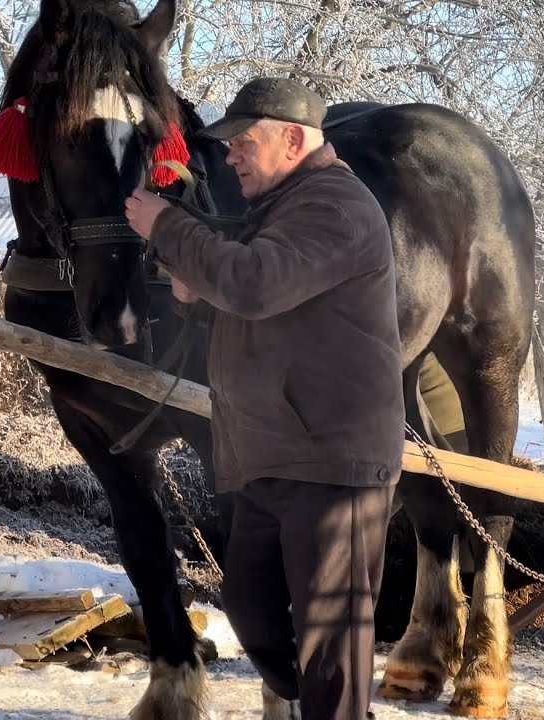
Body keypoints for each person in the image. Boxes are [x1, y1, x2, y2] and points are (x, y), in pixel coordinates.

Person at [123, 76, 403, 720]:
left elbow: (254, 285)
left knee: (332, 654)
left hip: (332, 465)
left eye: (243, 143)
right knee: (252, 613)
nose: (229, 156)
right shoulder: (281, 211)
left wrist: (168, 224)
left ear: (294, 139)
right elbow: (267, 304)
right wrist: (205, 290)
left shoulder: (335, 206)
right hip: (265, 458)